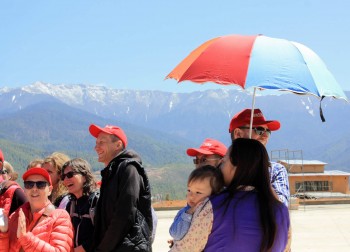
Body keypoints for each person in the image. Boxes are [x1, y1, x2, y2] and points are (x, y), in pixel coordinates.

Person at [170, 138, 290, 252]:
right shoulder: (281, 211)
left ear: (234, 166)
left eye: (224, 161)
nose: (220, 165)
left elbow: (184, 249)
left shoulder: (214, 206)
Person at [89, 124, 153, 251]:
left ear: (118, 145)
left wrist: (103, 249)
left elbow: (124, 214)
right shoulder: (112, 172)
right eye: (96, 143)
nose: (96, 147)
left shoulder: (129, 169)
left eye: (101, 142)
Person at [0, 167, 74, 251]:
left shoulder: (60, 217)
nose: (34, 189)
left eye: (40, 185)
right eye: (29, 184)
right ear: (25, 189)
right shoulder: (15, 216)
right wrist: (3, 233)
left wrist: (26, 238)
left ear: (49, 190)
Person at [229, 108, 290, 206]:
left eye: (268, 131)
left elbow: (282, 207)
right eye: (259, 130)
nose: (265, 135)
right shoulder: (222, 169)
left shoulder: (276, 170)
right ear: (238, 133)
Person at [169, 165, 223, 246]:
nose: (191, 196)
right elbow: (175, 234)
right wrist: (188, 214)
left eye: (198, 192)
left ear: (214, 195)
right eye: (189, 190)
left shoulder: (215, 214)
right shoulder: (184, 212)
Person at [62, 158, 99, 252]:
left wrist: (83, 248)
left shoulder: (97, 201)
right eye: (63, 177)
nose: (66, 180)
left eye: (70, 175)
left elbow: (103, 233)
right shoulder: (71, 205)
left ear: (85, 176)